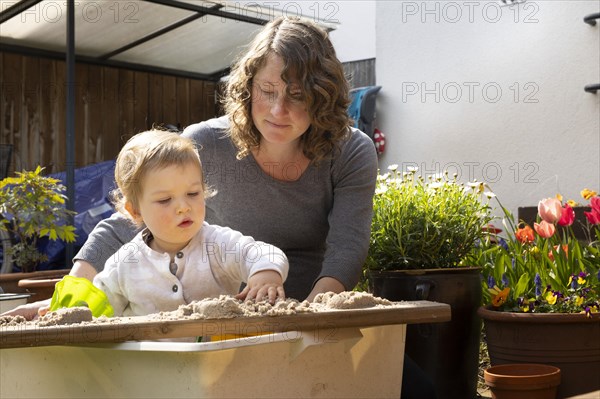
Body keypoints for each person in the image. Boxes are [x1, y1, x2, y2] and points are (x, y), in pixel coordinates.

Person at [5, 16, 376, 315]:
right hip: (220, 318)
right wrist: (69, 294)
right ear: (248, 87)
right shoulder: (205, 143)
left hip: (310, 305)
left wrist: (313, 316)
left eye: (297, 96)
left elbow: (347, 247)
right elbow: (134, 215)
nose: (279, 110)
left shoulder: (351, 152)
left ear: (323, 96)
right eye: (267, 90)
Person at [94, 129, 288, 316]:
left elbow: (261, 253)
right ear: (135, 211)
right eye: (165, 200)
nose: (183, 207)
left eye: (192, 194)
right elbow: (98, 309)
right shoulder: (124, 264)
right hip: (150, 350)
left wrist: (265, 273)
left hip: (218, 348)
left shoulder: (217, 245)